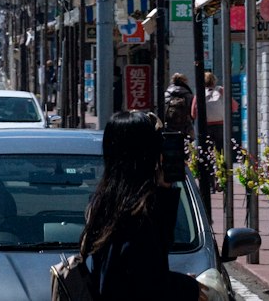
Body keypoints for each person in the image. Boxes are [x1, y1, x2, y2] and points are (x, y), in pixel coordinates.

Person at [79, 109, 212, 299]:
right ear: (145, 154)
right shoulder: (138, 212)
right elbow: (147, 283)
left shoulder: (105, 202)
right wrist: (185, 286)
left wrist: (164, 190)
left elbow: (143, 270)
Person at [163, 72, 193, 137]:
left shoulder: (166, 94)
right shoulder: (187, 94)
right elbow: (191, 111)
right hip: (184, 125)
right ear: (184, 81)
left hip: (169, 124)